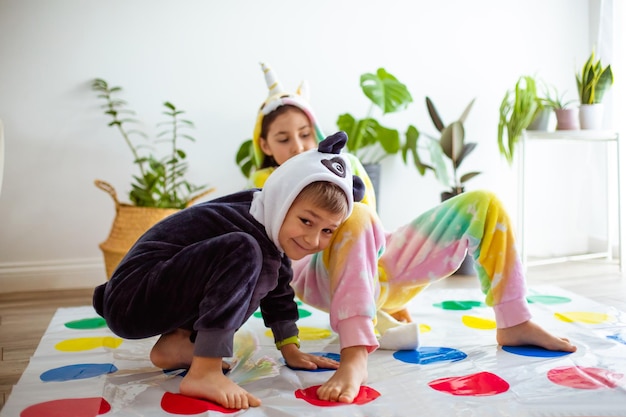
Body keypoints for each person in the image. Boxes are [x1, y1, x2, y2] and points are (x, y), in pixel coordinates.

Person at [248, 63, 578, 404]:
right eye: (283, 139)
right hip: (320, 276)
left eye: (305, 133)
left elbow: (372, 227)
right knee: (355, 215)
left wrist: (386, 286)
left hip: (375, 262)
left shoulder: (348, 165)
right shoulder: (266, 188)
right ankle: (355, 352)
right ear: (265, 145)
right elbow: (287, 256)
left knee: (484, 202)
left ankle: (514, 320)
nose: (299, 146)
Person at [92, 131, 366, 410]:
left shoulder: (269, 227)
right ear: (282, 200)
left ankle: (177, 344)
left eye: (327, 230)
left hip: (153, 293)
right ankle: (205, 371)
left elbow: (279, 290)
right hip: (132, 296)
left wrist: (290, 349)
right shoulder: (245, 225)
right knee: (244, 252)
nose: (313, 240)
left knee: (265, 270)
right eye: (307, 221)